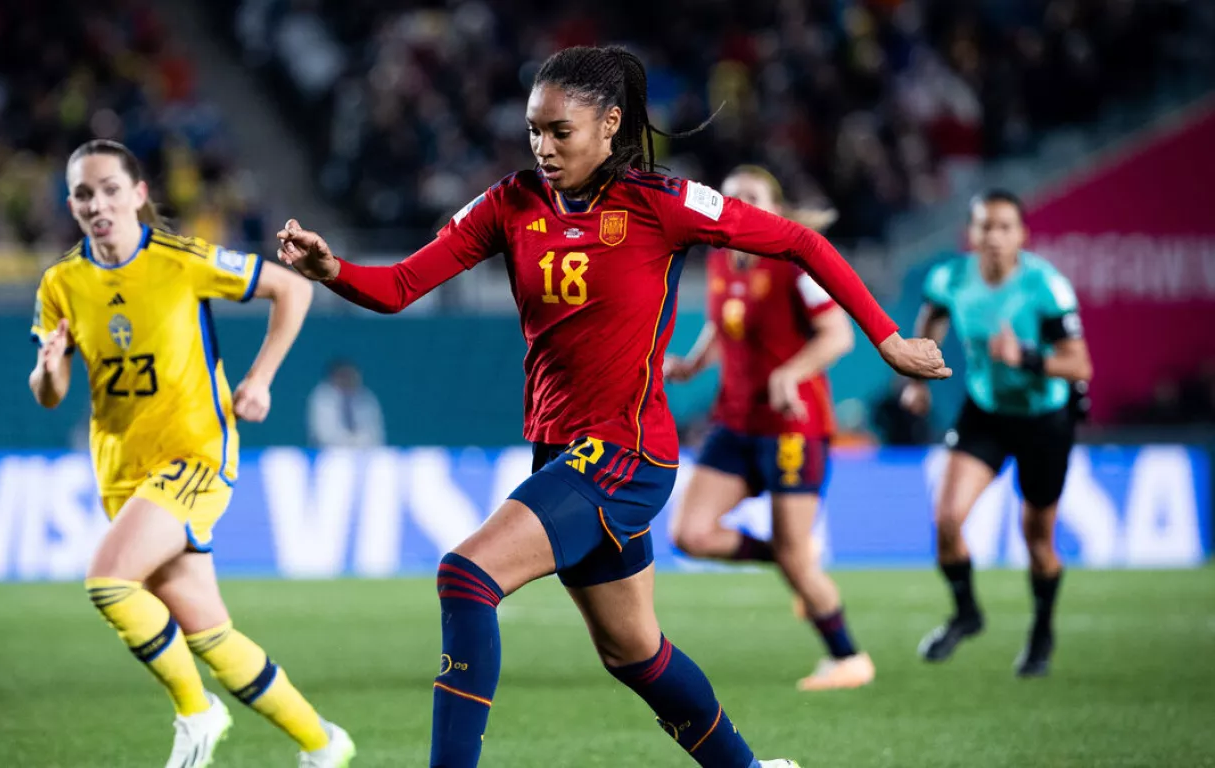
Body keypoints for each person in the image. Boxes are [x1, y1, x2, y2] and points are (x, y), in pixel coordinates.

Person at [279, 46, 947, 768]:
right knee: (634, 652)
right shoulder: (509, 203)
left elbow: (801, 240)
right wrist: (332, 271)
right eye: (534, 130)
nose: (542, 146)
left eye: (559, 132)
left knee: (465, 575)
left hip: (626, 453)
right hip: (563, 452)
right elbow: (401, 286)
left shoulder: (664, 203)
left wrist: (886, 337)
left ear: (610, 125)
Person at [28, 139, 355, 768]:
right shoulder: (61, 283)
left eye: (111, 189)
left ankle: (197, 713)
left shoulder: (181, 259)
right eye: (84, 194)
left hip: (197, 454)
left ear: (139, 195)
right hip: (122, 470)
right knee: (208, 631)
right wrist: (47, 369)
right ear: (71, 204)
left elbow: (294, 291)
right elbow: (51, 394)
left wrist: (259, 379)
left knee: (108, 581)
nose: (99, 204)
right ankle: (323, 743)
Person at [664, 165, 873, 692]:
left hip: (791, 428)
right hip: (735, 421)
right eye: (730, 198)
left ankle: (849, 659)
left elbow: (838, 336)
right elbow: (723, 320)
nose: (739, 205)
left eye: (752, 197)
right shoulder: (718, 257)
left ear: (775, 209)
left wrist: (790, 373)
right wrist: (693, 363)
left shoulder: (795, 262)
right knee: (690, 534)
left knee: (798, 561)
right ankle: (787, 557)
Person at [902, 189, 1092, 677]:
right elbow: (931, 320)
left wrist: (1026, 358)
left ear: (1022, 236)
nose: (994, 237)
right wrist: (917, 379)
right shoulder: (950, 277)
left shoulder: (1046, 287)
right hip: (985, 411)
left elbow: (1080, 364)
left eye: (1005, 227)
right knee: (946, 521)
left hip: (1044, 420)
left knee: (1038, 541)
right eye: (985, 226)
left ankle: (1042, 633)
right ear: (971, 233)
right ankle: (967, 615)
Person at [307, 359, 386, 447]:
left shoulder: (366, 398)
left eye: (352, 376)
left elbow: (375, 433)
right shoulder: (323, 397)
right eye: (343, 376)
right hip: (329, 454)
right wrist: (350, 442)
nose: (348, 380)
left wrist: (359, 442)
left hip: (365, 452)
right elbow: (324, 435)